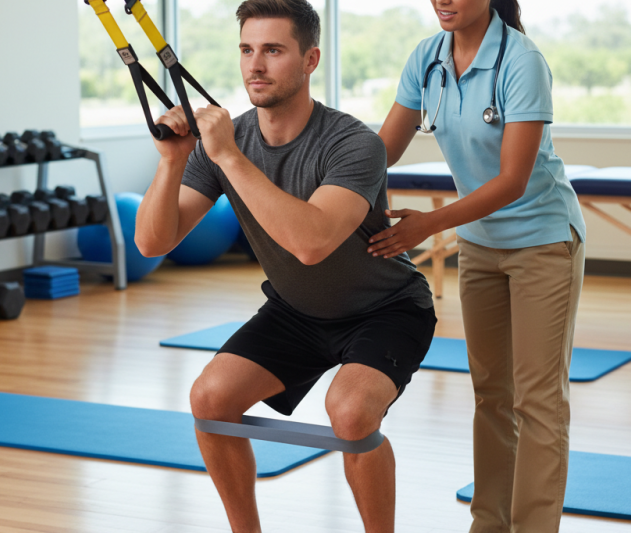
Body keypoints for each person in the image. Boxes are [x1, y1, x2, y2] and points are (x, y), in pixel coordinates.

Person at [135, 1, 436, 531]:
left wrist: (229, 157)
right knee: (210, 399)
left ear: (310, 59)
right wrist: (173, 161)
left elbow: (312, 243)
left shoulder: (353, 143)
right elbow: (152, 242)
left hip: (385, 309)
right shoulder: (224, 143)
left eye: (273, 50)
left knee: (351, 414)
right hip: (297, 311)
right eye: (247, 50)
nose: (255, 65)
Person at [368, 1, 586, 531]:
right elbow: (380, 152)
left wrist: (429, 225)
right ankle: (488, 524)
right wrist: (306, 149)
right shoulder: (427, 58)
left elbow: (512, 181)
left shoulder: (521, 61)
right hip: (480, 246)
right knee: (491, 394)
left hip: (543, 242)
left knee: (538, 401)